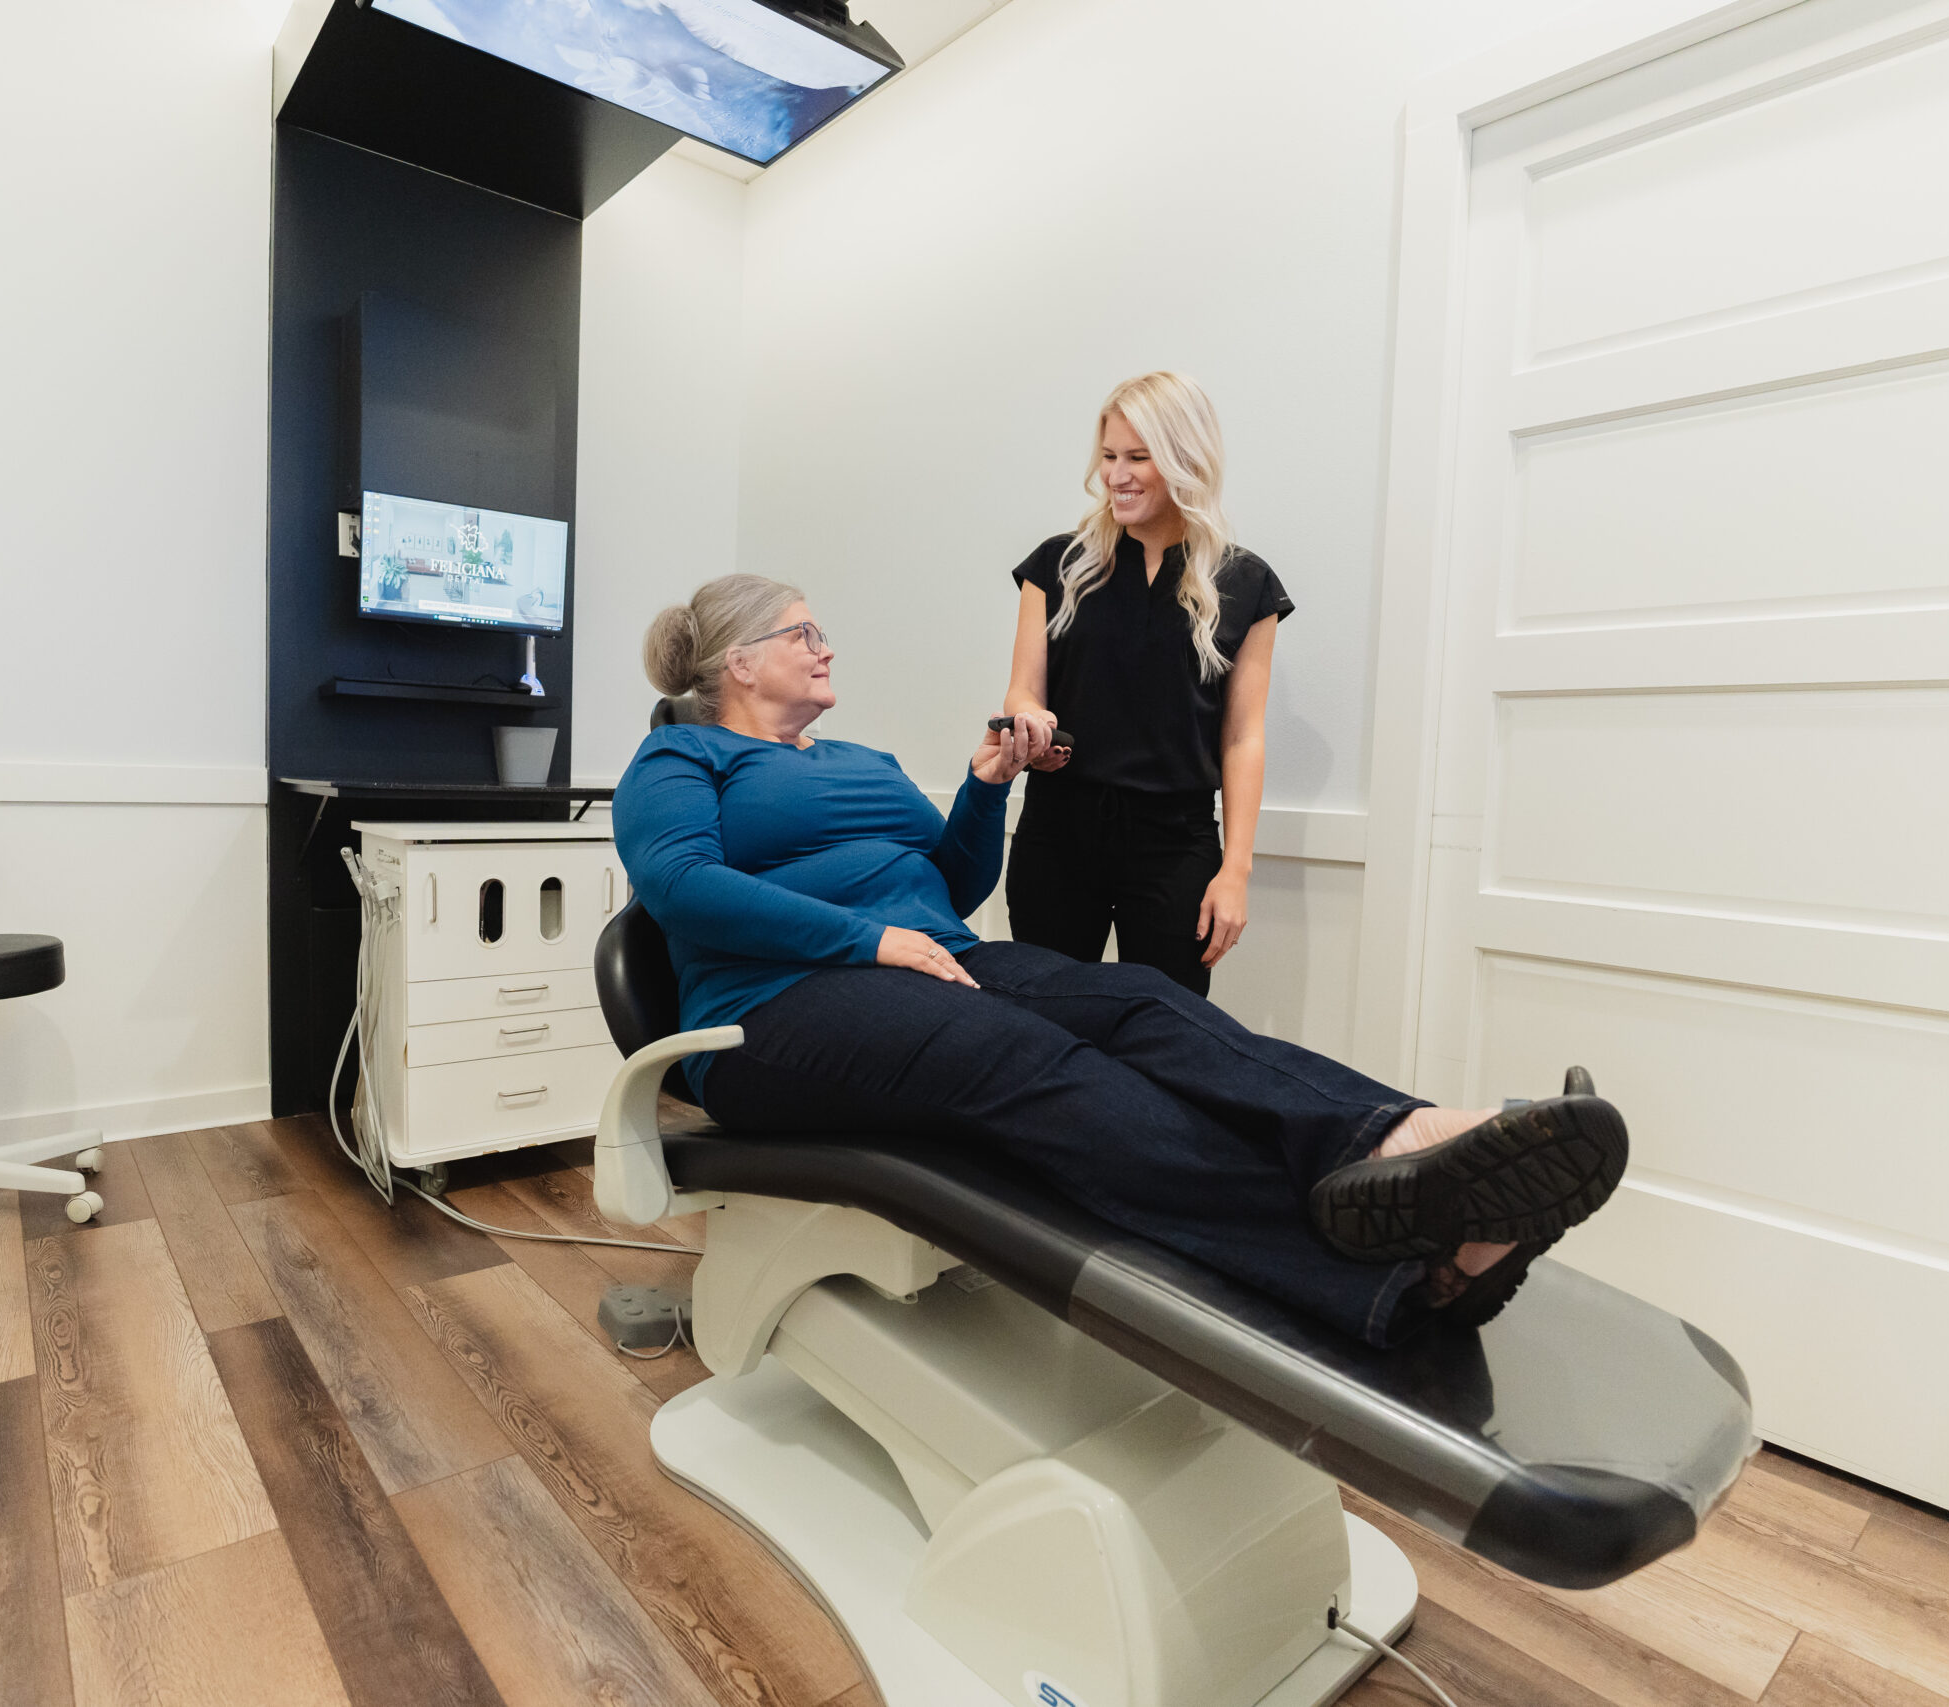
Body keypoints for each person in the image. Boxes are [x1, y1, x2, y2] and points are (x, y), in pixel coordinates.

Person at [612, 574, 1628, 1347]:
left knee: (1139, 1000)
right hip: (770, 1015)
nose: (825, 649)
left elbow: (950, 885)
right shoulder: (679, 759)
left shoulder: (860, 764)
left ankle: (1405, 1144)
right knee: (1018, 1057)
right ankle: (1396, 1273)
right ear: (739, 663)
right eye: (803, 634)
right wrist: (865, 939)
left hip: (932, 962)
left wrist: (984, 790)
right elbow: (680, 887)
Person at [1000, 371, 1288, 996]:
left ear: (1186, 460)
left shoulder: (1247, 583)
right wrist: (1031, 720)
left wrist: (1234, 872)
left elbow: (1242, 738)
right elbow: (1023, 690)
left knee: (1166, 1036)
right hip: (1058, 831)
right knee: (1046, 1026)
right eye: (1108, 457)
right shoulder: (1057, 565)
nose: (1116, 475)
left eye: (1138, 457)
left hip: (1175, 844)